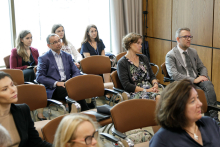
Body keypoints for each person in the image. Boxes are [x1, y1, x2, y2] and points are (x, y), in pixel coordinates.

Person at [165, 27, 219, 123]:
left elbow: (202, 67)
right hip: (184, 83)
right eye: (186, 37)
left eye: (190, 36)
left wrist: (203, 77)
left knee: (208, 85)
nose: (189, 39)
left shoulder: (193, 52)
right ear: (178, 39)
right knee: (201, 92)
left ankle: (213, 118)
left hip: (197, 79)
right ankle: (208, 120)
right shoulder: (171, 55)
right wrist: (193, 80)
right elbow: (174, 75)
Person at [149, 79, 220, 147]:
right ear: (176, 107)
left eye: (197, 98)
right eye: (192, 101)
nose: (200, 104)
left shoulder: (210, 123)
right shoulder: (162, 140)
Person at [36, 33, 89, 112]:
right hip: (54, 88)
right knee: (73, 92)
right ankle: (84, 114)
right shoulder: (44, 58)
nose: (58, 43)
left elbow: (76, 71)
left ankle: (79, 114)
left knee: (77, 89)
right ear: (48, 45)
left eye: (59, 41)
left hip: (67, 84)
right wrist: (56, 83)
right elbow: (39, 77)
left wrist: (71, 82)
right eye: (55, 42)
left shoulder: (67, 56)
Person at [0, 71, 52, 147]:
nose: (13, 90)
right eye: (5, 89)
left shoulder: (22, 110)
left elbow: (36, 142)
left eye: (12, 85)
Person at [117, 33, 160, 100]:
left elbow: (152, 76)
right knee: (154, 99)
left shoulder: (143, 58)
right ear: (130, 44)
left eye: (141, 43)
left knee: (164, 99)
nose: (141, 46)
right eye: (138, 43)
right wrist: (146, 90)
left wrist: (155, 84)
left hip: (150, 89)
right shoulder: (122, 63)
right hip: (135, 92)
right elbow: (127, 85)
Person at [80, 24, 112, 101]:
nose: (94, 33)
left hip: (100, 64)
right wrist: (99, 61)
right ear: (88, 33)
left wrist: (101, 62)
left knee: (106, 68)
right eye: (92, 31)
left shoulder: (100, 41)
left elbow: (103, 56)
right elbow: (88, 59)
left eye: (95, 31)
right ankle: (106, 91)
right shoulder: (85, 44)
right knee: (105, 67)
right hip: (90, 66)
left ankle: (108, 92)